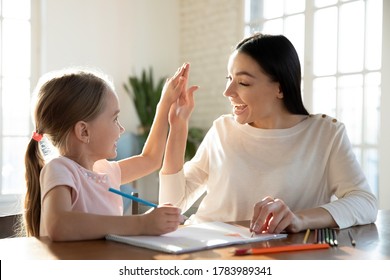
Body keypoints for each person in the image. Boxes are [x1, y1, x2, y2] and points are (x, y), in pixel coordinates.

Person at [159, 33, 378, 234]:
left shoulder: (326, 134)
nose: (228, 92)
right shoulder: (222, 130)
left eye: (243, 82)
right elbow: (172, 204)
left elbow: (364, 202)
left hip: (277, 256)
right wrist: (178, 126)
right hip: (206, 249)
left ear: (280, 88)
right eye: (229, 79)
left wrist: (299, 219)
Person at [24, 63, 198, 241]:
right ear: (84, 131)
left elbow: (151, 159)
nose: (121, 129)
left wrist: (165, 105)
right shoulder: (60, 170)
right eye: (115, 119)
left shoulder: (104, 171)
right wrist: (142, 223)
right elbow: (60, 225)